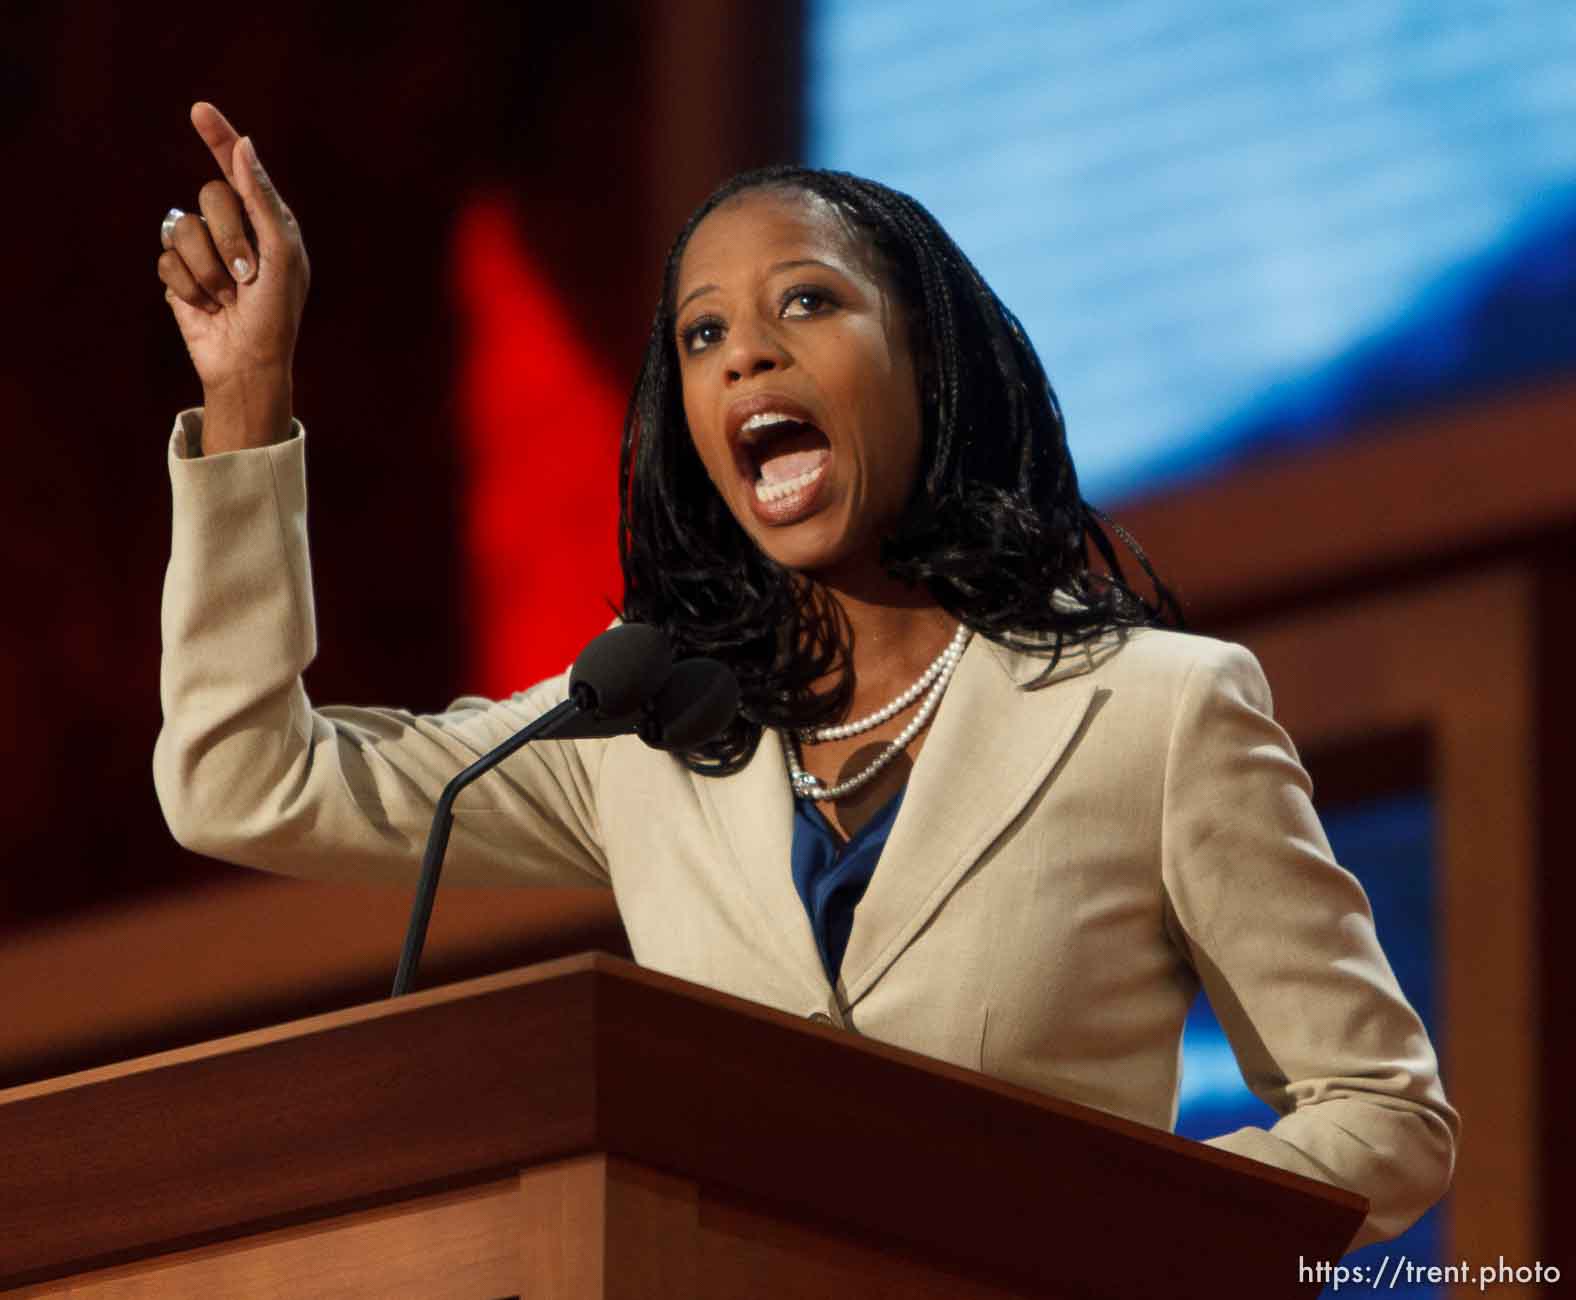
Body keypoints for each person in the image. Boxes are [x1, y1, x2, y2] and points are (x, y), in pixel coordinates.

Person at [154, 102, 1456, 1247]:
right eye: (702, 333)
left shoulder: (1161, 715)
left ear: (927, 362)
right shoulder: (648, 732)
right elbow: (244, 783)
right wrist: (250, 392)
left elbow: (1382, 1116)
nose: (746, 355)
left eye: (808, 302)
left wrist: (1116, 1241)